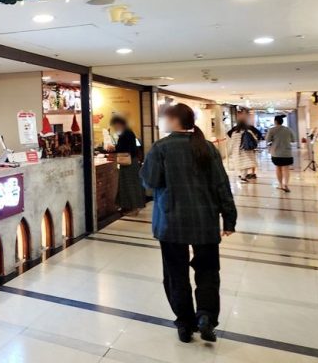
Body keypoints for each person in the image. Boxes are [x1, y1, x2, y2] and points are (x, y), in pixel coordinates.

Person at [140, 103, 237, 344]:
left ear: (174, 120)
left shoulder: (161, 147)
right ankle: (205, 316)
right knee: (208, 272)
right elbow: (221, 184)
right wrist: (229, 218)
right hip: (205, 221)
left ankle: (184, 323)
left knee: (176, 274)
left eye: (166, 118)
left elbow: (150, 182)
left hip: (171, 222)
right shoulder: (207, 147)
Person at [109, 115, 145, 215]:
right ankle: (128, 207)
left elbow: (125, 148)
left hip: (129, 163)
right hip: (131, 162)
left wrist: (114, 149)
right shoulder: (128, 132)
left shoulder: (126, 133)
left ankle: (134, 208)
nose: (115, 128)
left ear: (119, 124)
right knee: (128, 185)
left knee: (129, 186)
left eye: (115, 125)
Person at [227, 110, 262, 182]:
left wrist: (230, 151)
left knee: (240, 163)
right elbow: (255, 139)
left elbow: (231, 142)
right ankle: (244, 175)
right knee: (246, 163)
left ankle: (242, 175)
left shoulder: (234, 132)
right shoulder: (248, 131)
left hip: (237, 150)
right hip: (246, 149)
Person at [265, 115, 295, 193]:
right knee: (286, 169)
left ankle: (281, 185)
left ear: (275, 121)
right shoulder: (288, 129)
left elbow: (267, 140)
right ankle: (286, 184)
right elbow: (293, 140)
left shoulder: (272, 130)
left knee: (278, 168)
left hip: (276, 153)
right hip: (287, 153)